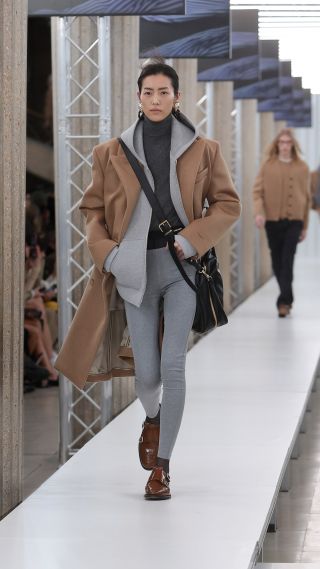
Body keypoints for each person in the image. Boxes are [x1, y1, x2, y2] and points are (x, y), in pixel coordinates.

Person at [55, 61, 241, 500]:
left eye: (164, 92)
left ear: (178, 97)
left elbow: (228, 205)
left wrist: (192, 241)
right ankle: (152, 416)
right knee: (147, 376)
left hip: (182, 271)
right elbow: (93, 213)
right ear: (138, 97)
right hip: (133, 271)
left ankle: (162, 468)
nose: (156, 100)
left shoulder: (205, 149)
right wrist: (111, 256)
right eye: (148, 92)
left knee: (174, 364)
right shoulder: (110, 152)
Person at [253, 128, 311, 317]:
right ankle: (287, 297)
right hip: (272, 220)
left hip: (294, 221)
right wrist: (259, 213)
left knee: (287, 259)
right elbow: (257, 192)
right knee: (277, 261)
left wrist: (305, 226)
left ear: (293, 145)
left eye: (288, 142)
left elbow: (307, 198)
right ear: (277, 145)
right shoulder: (267, 165)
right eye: (282, 142)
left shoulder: (302, 167)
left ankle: (284, 301)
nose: (285, 146)